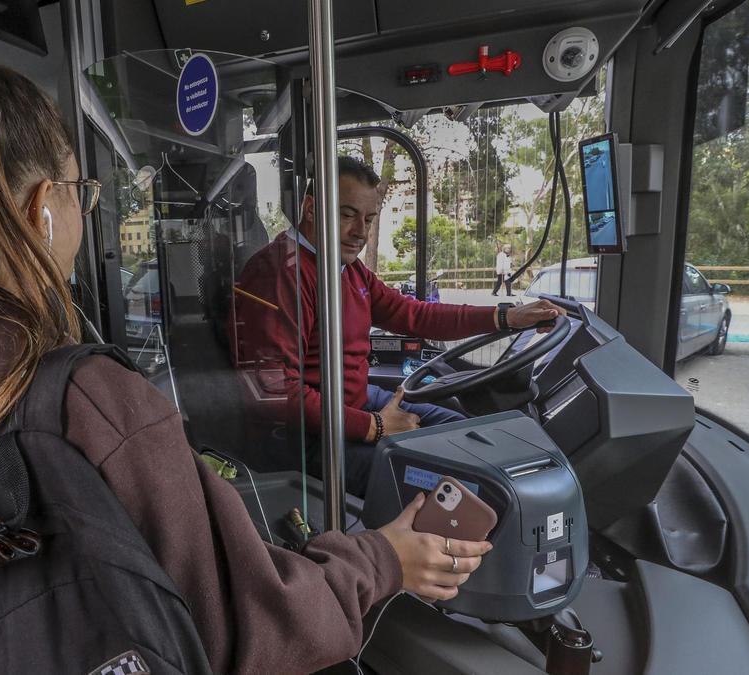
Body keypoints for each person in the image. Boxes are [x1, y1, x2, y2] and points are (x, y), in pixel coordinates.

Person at [0, 30, 492, 674]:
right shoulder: (91, 402)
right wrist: (383, 557)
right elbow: (245, 621)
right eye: (84, 192)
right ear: (43, 207)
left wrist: (501, 314)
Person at [232, 157, 562, 496]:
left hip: (355, 407)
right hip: (306, 440)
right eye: (347, 215)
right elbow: (277, 394)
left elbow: (415, 315)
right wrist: (374, 427)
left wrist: (506, 317)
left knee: (468, 437)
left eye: (369, 219)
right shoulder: (280, 274)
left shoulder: (345, 268)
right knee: (460, 482)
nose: (361, 231)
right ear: (312, 209)